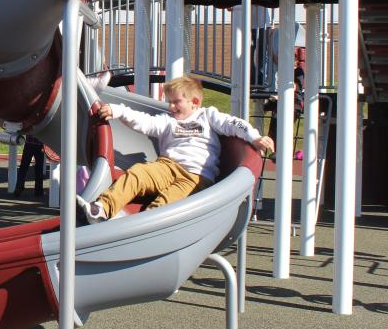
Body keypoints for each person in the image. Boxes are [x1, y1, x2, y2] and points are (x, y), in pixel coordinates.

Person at [76, 76, 274, 222]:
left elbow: (233, 123)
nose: (171, 107)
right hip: (166, 166)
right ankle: (101, 209)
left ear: (194, 102)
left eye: (176, 102)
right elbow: (144, 122)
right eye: (169, 101)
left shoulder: (208, 117)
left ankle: (140, 229)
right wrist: (118, 111)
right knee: (138, 173)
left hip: (196, 176)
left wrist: (255, 137)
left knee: (166, 203)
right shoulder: (168, 121)